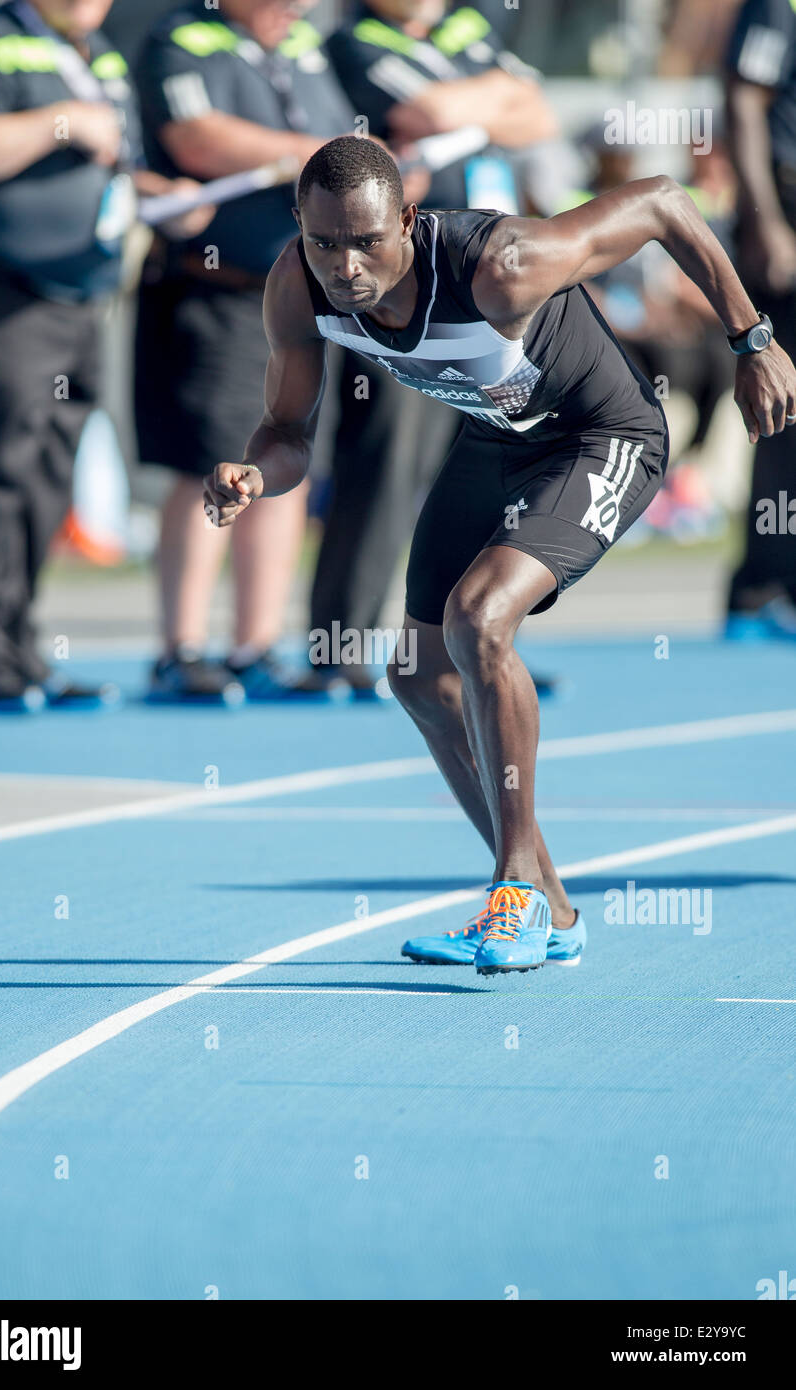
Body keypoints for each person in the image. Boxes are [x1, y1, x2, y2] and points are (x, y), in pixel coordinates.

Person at [204, 136, 796, 972]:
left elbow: (664, 199)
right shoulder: (295, 287)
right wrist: (254, 473)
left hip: (600, 437)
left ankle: (512, 891)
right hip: (495, 443)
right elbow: (288, 432)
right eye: (324, 242)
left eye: (367, 241)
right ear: (299, 227)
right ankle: (549, 904)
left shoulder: (503, 265)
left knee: (479, 620)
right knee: (414, 674)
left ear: (407, 221)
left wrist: (751, 339)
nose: (346, 267)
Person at [0, 0, 209, 712]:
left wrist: (163, 198)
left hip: (78, 301)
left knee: (48, 474)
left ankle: (19, 650)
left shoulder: (97, 53)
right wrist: (58, 124)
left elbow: (111, 168)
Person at [309, 0, 561, 696]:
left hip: (485, 287)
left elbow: (538, 113)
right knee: (388, 466)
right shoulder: (355, 43)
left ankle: (480, 641)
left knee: (492, 467)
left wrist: (479, 107)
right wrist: (489, 103)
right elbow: (431, 113)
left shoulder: (468, 28)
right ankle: (340, 644)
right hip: (408, 291)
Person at [134, 0, 357, 702]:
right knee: (208, 461)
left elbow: (349, 147)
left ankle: (254, 646)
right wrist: (298, 156)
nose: (296, 8)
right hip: (215, 291)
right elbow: (197, 137)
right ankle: (182, 648)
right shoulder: (183, 39)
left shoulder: (304, 50)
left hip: (298, 297)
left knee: (284, 461)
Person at [724, 0, 796, 637]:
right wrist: (766, 220)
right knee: (784, 408)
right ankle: (762, 587)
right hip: (789, 213)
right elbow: (744, 99)